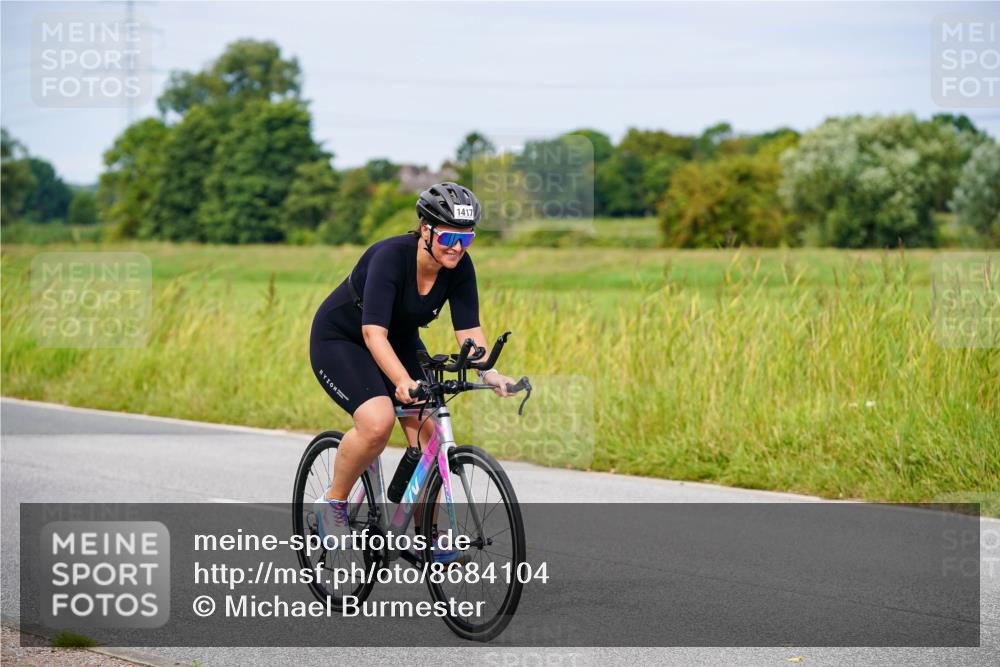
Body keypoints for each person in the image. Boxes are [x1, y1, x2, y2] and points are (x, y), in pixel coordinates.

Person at [309, 182, 517, 559]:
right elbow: (372, 333)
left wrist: (491, 373)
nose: (457, 247)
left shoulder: (459, 267)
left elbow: (468, 331)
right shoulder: (391, 257)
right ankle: (333, 505)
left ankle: (425, 537)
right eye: (450, 236)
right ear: (426, 229)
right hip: (342, 340)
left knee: (428, 438)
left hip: (398, 341)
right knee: (377, 422)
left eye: (466, 239)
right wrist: (402, 382)